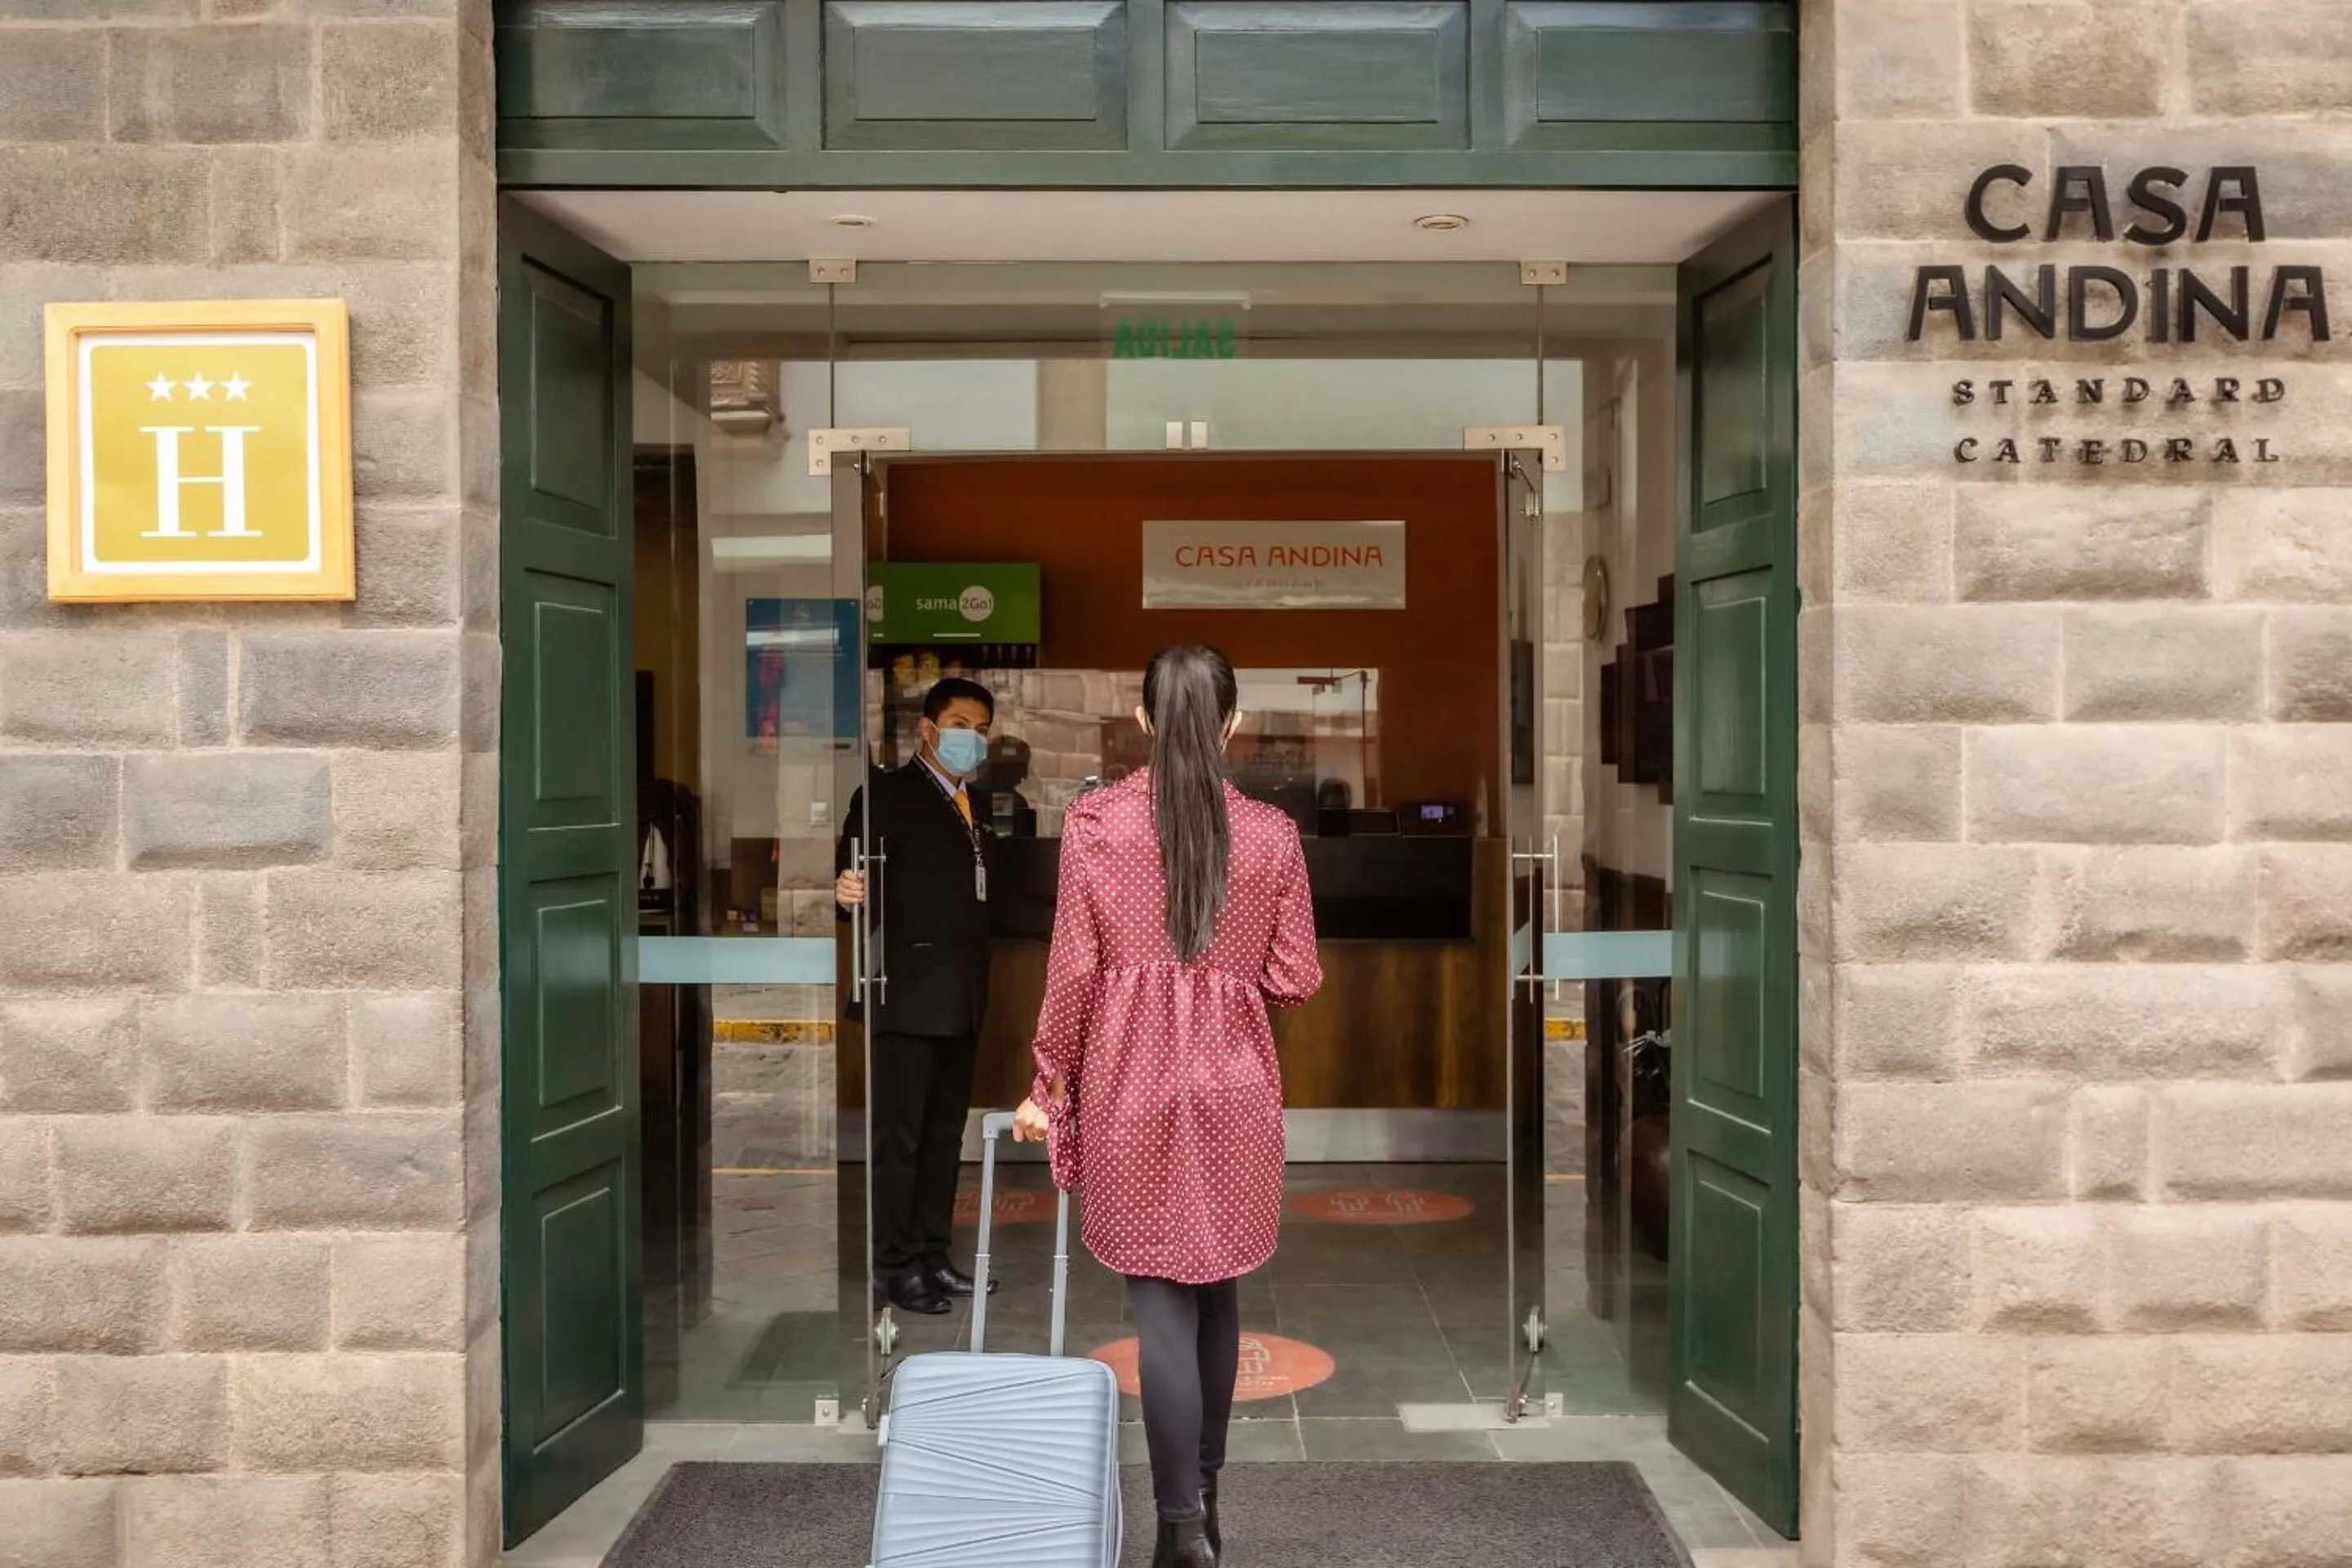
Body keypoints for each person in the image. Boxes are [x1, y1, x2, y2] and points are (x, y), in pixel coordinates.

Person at [1013, 644, 1321, 1568]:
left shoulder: (1098, 823)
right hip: (1236, 1084)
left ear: (1145, 722)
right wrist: (1226, 973)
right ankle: (1206, 1504)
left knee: (1158, 1309)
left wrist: (1044, 1085)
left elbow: (1073, 972)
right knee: (1218, 1291)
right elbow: (1297, 976)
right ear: (1232, 725)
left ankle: (1181, 1525)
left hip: (1130, 1081)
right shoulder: (1271, 834)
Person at [835, 676, 1003, 1317]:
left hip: (960, 999)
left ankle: (933, 1255)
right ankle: (895, 1266)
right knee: (899, 1140)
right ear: (928, 730)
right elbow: (848, 878)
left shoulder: (972, 806)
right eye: (962, 724)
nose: (974, 738)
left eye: (983, 728)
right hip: (902, 997)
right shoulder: (886, 795)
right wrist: (842, 887)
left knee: (941, 1137)